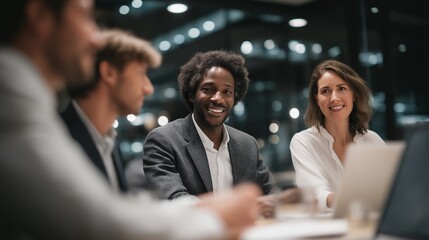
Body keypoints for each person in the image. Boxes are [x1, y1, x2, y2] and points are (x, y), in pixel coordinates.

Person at [0, 1, 262, 239]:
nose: (148, 88)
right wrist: (216, 216)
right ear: (39, 15)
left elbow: (114, 208)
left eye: (228, 91)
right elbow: (98, 223)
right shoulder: (11, 94)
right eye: (86, 15)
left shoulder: (104, 140)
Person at [142, 50, 275, 216]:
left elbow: (270, 195)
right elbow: (173, 200)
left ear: (235, 97)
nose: (218, 98)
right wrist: (232, 209)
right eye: (208, 89)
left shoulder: (247, 144)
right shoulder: (163, 140)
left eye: (227, 92)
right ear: (192, 94)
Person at [60, 29, 161, 192]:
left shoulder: (110, 142)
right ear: (109, 73)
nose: (148, 88)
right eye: (141, 73)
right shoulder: (58, 138)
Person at [290, 59, 385, 211]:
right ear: (317, 98)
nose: (334, 98)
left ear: (353, 94)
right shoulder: (303, 142)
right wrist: (355, 198)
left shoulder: (373, 140)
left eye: (341, 88)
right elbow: (316, 196)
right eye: (325, 91)